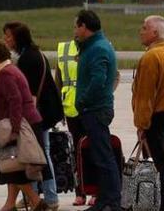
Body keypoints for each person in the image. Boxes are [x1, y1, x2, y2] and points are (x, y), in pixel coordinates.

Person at [0, 39, 51, 211]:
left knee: (15, 169)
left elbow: (15, 101)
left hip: (19, 126)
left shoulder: (6, 74)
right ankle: (10, 203)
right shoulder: (9, 70)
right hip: (18, 124)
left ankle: (36, 202)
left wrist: (15, 129)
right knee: (11, 166)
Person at [3, 22, 63, 211]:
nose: (6, 40)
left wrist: (24, 119)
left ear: (18, 38)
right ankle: (35, 197)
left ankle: (50, 197)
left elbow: (30, 94)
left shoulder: (27, 59)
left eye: (9, 36)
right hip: (44, 112)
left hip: (38, 114)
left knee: (40, 154)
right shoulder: (35, 54)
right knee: (36, 154)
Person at [131, 16, 164, 211]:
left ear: (154, 33)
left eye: (144, 28)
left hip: (156, 117)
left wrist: (141, 125)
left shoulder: (151, 57)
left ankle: (162, 205)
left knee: (157, 165)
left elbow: (145, 96)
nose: (141, 31)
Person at [73, 9, 121, 211]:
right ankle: (105, 200)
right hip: (94, 108)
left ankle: (112, 201)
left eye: (76, 26)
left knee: (104, 158)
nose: (74, 30)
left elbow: (98, 80)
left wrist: (82, 101)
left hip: (96, 109)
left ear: (84, 27)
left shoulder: (98, 49)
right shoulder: (93, 46)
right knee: (101, 156)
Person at [55, 37, 90, 206]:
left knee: (94, 150)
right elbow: (59, 80)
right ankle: (80, 191)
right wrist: (58, 107)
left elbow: (114, 76)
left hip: (91, 108)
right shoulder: (65, 49)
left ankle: (96, 190)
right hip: (71, 108)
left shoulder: (97, 47)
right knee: (76, 152)